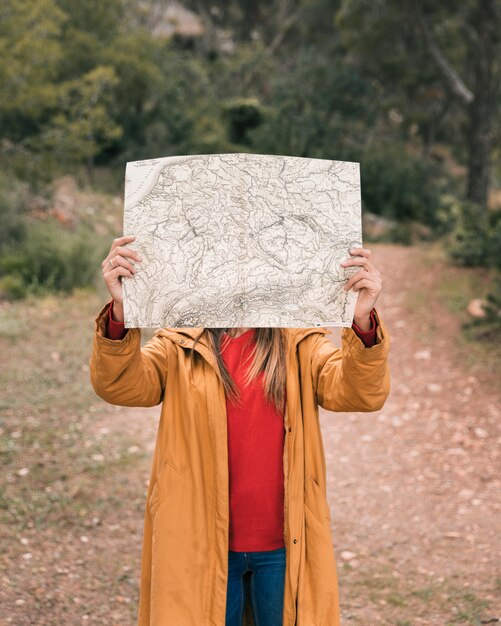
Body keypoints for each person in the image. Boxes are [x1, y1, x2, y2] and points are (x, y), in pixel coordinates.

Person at [90, 235, 390, 626]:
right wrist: (120, 312)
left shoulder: (299, 340)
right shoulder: (178, 341)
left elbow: (358, 394)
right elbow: (121, 386)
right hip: (200, 544)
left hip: (284, 546)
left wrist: (362, 321)